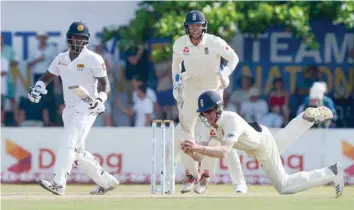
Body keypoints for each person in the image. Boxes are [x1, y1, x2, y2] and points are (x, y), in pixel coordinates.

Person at [181, 91, 344, 198]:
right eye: (203, 112)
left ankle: (331, 172)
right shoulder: (208, 125)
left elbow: (224, 151)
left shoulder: (231, 120)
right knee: (281, 142)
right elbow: (200, 155)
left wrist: (197, 147)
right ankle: (305, 119)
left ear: (218, 108)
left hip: (262, 147)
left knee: (284, 186)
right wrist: (191, 151)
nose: (206, 115)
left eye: (209, 110)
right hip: (259, 139)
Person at [28, 21, 119, 195]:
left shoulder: (94, 58)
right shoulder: (61, 58)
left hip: (88, 107)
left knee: (68, 141)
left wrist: (101, 99)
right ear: (69, 39)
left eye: (81, 38)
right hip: (69, 109)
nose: (78, 41)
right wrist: (39, 88)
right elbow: (46, 77)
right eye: (75, 38)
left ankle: (58, 183)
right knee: (77, 151)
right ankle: (107, 181)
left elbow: (105, 84)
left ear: (86, 41)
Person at [172, 10, 246, 193]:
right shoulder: (180, 43)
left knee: (212, 134)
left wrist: (225, 73)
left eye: (198, 25)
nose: (195, 29)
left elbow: (234, 58)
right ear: (187, 27)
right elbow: (176, 64)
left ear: (203, 26)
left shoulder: (214, 42)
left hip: (212, 91)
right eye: (192, 25)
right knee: (184, 132)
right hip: (190, 90)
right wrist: (176, 83)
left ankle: (205, 176)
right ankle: (191, 175)